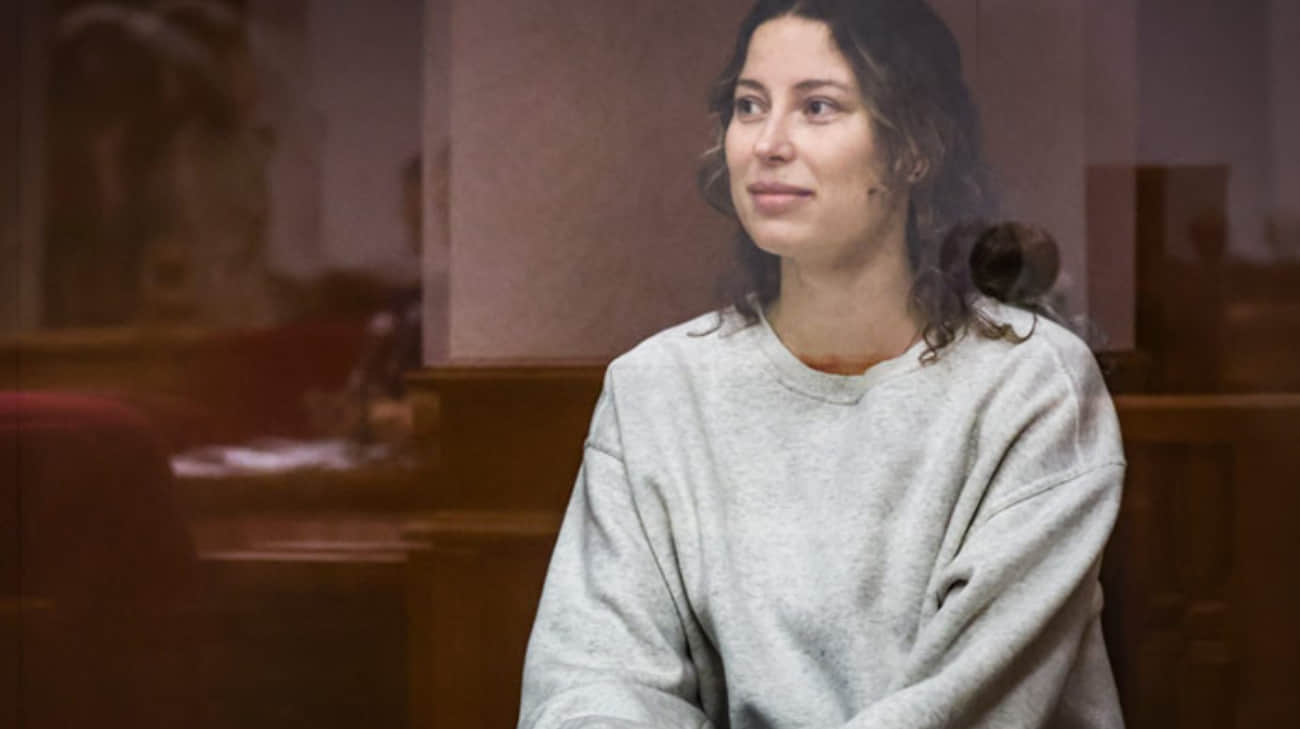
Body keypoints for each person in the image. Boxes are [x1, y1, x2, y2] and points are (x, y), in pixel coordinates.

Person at [518, 1, 1125, 728]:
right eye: (749, 106)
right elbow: (591, 680)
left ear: (915, 147)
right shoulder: (655, 388)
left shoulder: (1031, 384)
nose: (767, 143)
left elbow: (965, 704)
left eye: (817, 107)